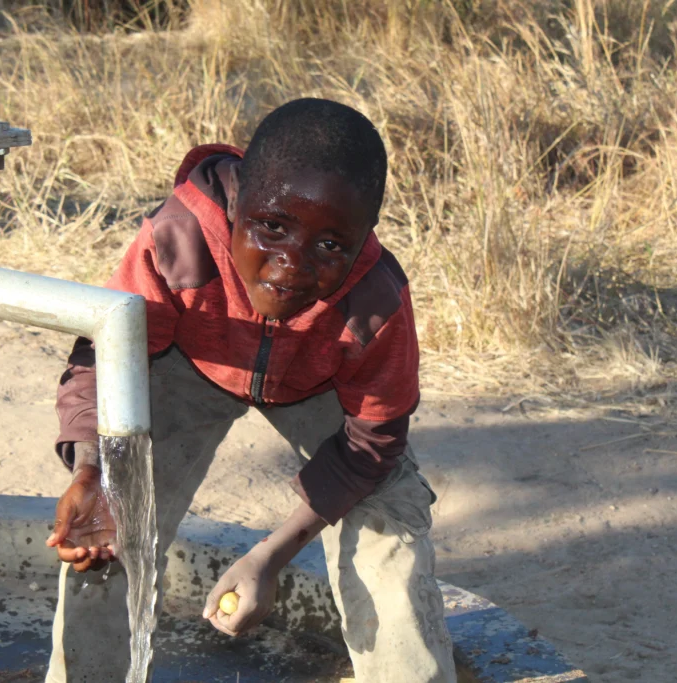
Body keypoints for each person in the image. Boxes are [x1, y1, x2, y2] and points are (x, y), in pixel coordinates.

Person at [44, 98, 456, 682]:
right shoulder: (180, 237)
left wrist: (271, 556)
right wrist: (94, 470)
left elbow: (373, 441)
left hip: (318, 387)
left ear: (365, 237)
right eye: (272, 227)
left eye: (331, 246)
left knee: (390, 521)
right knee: (107, 525)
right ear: (238, 204)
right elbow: (104, 357)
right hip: (189, 361)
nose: (291, 266)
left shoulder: (374, 303)